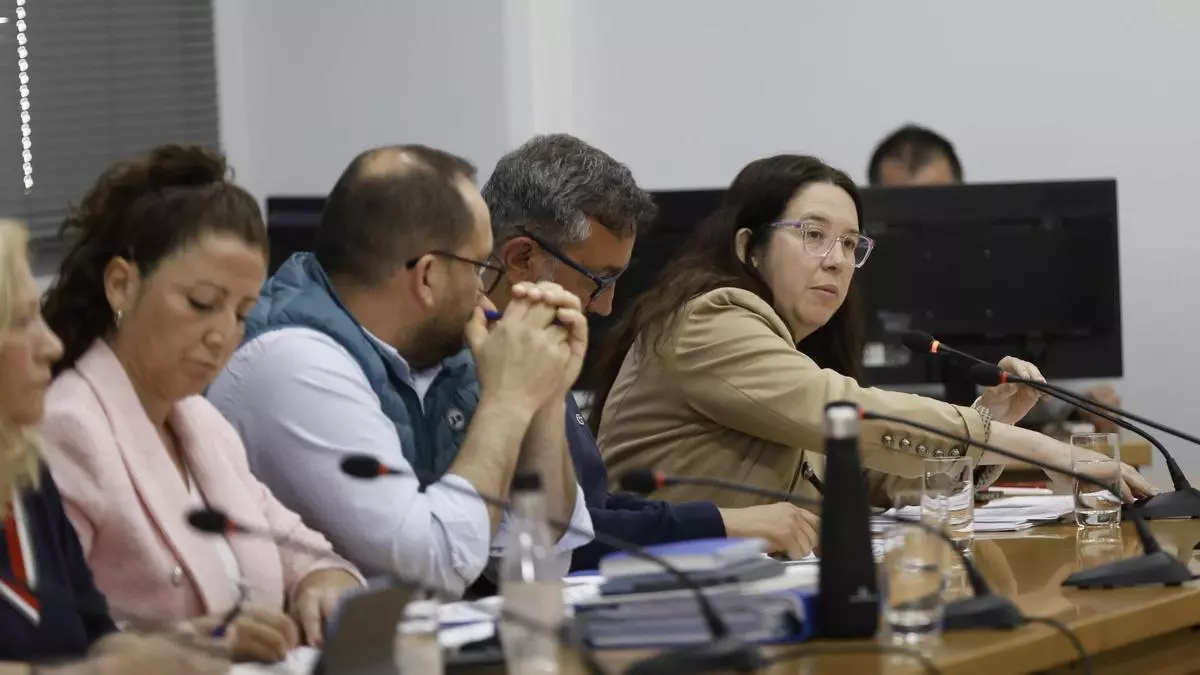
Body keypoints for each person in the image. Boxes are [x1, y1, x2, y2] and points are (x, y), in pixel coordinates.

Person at [591, 154, 1155, 510]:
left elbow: (873, 481)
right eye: (813, 234)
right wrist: (1049, 451)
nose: (837, 259)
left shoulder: (790, 347)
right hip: (671, 601)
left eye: (849, 243)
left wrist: (993, 420)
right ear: (749, 248)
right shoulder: (711, 320)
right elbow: (847, 412)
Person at [207, 145, 593, 597]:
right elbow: (433, 562)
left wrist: (543, 395)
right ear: (427, 276)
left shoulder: (439, 353)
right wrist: (507, 401)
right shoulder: (294, 363)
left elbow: (538, 562)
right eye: (479, 267)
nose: (485, 292)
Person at [38, 146, 363, 664]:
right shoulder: (68, 428)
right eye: (202, 303)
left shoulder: (201, 421)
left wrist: (323, 580)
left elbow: (298, 547)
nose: (222, 335)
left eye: (241, 313)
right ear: (122, 285)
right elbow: (51, 645)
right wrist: (199, 641)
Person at [483, 134, 821, 565]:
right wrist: (722, 525)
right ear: (522, 259)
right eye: (598, 280)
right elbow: (554, 538)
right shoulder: (464, 366)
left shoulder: (536, 342)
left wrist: (725, 522)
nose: (605, 306)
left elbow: (590, 510)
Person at [0, 220, 229, 674]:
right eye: (23, 322)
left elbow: (94, 637)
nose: (52, 345)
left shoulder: (23, 471)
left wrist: (185, 644)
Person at [867, 124, 1121, 432]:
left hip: (1007, 435)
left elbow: (1044, 379)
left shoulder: (1011, 265)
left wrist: (1078, 408)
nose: (922, 227)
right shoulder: (855, 274)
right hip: (895, 437)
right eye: (904, 210)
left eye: (935, 202)